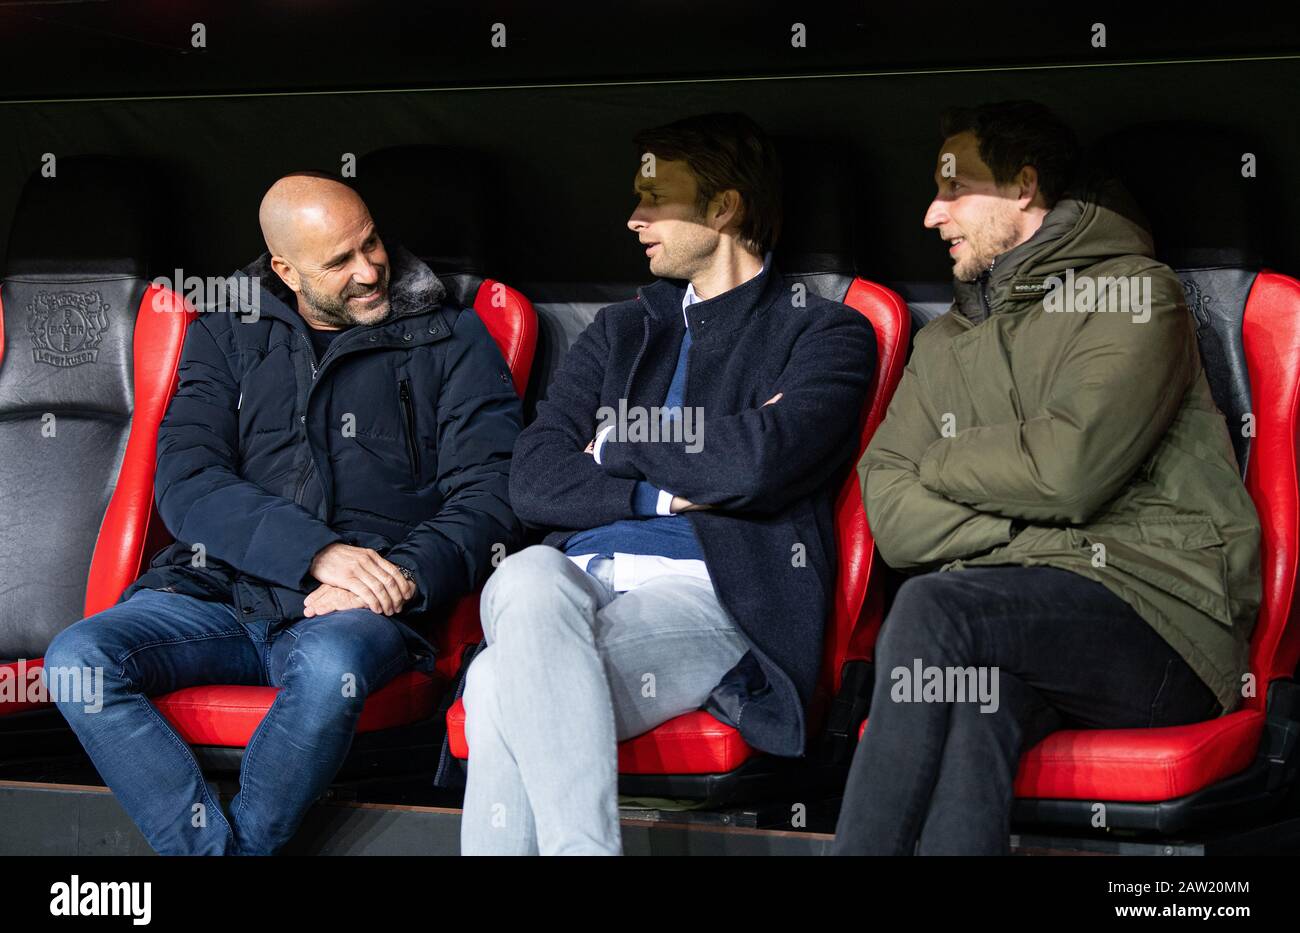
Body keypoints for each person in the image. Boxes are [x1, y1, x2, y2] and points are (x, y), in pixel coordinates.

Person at [45, 172, 522, 855]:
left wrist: (402, 575)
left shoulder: (453, 337)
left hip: (364, 607)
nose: (369, 271)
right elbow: (188, 480)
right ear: (285, 269)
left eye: (372, 243)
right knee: (76, 658)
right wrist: (316, 553)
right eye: (339, 262)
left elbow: (491, 494)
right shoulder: (226, 333)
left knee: (330, 669)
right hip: (219, 593)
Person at [832, 101, 1262, 855]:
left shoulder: (1134, 295)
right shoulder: (944, 344)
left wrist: (941, 460)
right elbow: (892, 514)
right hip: (1013, 623)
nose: (932, 214)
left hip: (1160, 620)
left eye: (954, 189)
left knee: (936, 609)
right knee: (973, 708)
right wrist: (1020, 521)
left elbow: (1068, 471)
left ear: (1024, 187)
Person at [457, 113, 877, 855]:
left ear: (723, 209)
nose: (634, 218)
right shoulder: (619, 329)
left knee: (496, 686)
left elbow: (760, 461)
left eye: (655, 201)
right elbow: (534, 478)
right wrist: (662, 488)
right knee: (525, 572)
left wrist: (617, 441)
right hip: (570, 584)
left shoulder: (824, 332)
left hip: (711, 586)